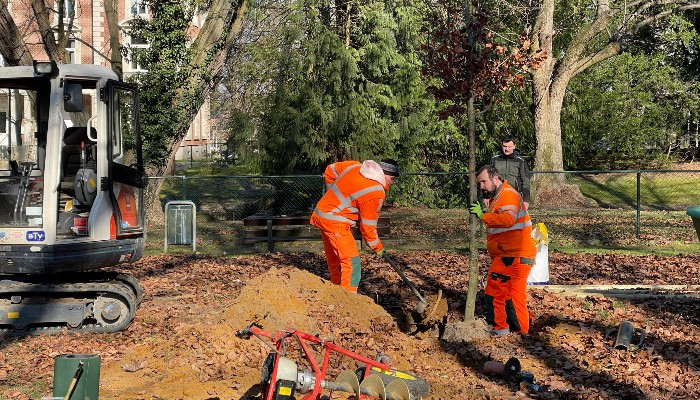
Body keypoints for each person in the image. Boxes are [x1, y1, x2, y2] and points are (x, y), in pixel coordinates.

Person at [310, 159, 400, 292]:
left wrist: (331, 195)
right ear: (383, 172)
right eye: (391, 178)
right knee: (352, 264)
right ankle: (349, 301)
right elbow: (368, 227)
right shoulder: (376, 191)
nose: (392, 182)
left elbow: (330, 171)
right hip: (335, 222)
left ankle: (337, 292)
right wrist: (377, 247)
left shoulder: (355, 166)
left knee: (335, 261)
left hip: (322, 214)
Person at [469, 164, 536, 335]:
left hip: (514, 255)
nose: (482, 186)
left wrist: (483, 216)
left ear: (495, 179)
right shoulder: (499, 197)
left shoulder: (507, 195)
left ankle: (505, 330)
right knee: (511, 296)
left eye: (484, 182)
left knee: (497, 292)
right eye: (480, 183)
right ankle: (519, 331)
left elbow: (508, 219)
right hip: (512, 255)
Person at [490, 134, 530, 209]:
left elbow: (526, 181)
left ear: (514, 146)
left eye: (509, 146)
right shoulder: (495, 159)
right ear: (501, 146)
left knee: (514, 219)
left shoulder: (520, 161)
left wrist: (526, 200)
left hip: (515, 196)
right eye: (505, 146)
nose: (507, 149)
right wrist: (487, 196)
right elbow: (490, 178)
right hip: (497, 196)